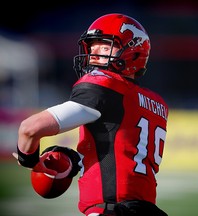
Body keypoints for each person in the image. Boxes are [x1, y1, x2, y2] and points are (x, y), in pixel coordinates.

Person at [15, 13, 169, 216]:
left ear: (133, 52)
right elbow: (118, 149)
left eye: (105, 46)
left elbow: (29, 128)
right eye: (92, 46)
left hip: (112, 210)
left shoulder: (106, 85)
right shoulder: (156, 103)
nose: (94, 53)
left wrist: (30, 160)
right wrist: (74, 160)